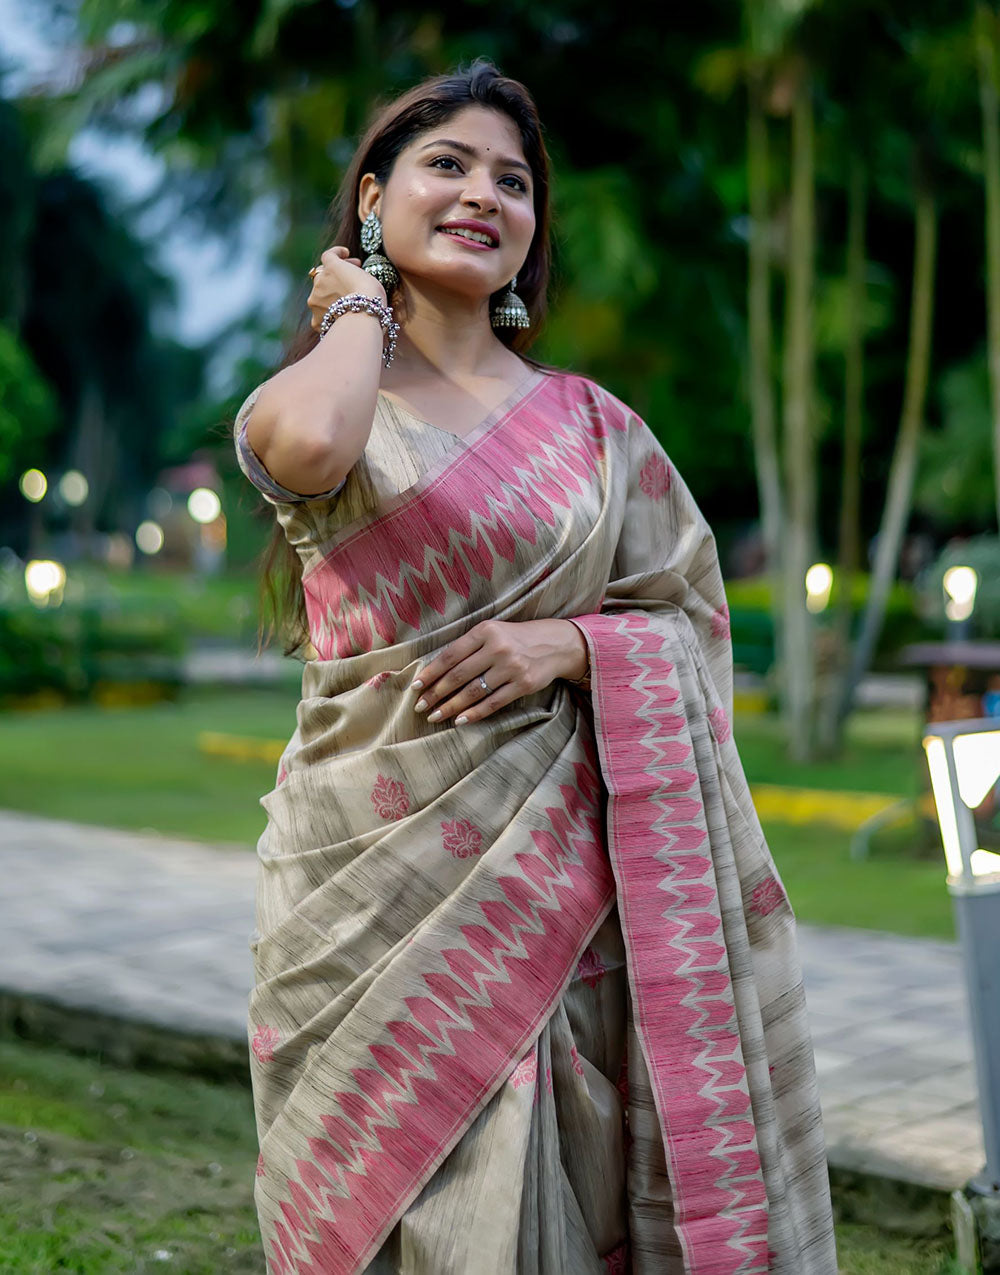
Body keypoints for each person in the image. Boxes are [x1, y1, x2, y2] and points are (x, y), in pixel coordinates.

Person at [234, 59, 837, 1275]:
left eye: (512, 182)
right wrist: (359, 311)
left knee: (560, 1183)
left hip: (569, 890)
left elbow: (688, 614)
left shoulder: (595, 428)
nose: (482, 196)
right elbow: (305, 450)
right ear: (372, 198)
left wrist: (569, 643)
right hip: (368, 888)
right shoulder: (321, 390)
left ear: (529, 233)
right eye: (444, 165)